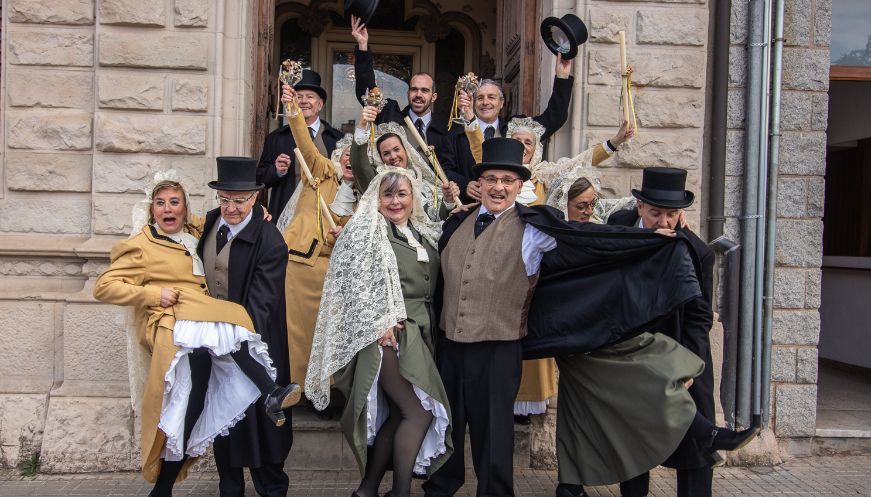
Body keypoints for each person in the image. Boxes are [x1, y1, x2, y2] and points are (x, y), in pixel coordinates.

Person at [423, 138, 707, 497]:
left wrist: (648, 240)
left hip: (497, 347)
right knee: (447, 421)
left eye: (507, 181)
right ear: (479, 184)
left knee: (493, 431)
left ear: (519, 186)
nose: (498, 187)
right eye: (491, 179)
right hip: (451, 344)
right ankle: (442, 486)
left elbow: (587, 240)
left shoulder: (533, 227)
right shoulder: (456, 224)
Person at [93, 171, 299, 497]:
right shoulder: (142, 245)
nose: (167, 208)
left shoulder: (195, 231)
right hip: (180, 333)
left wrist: (256, 211)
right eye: (160, 203)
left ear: (186, 208)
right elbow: (104, 286)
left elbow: (232, 216)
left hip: (205, 332)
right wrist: (154, 294)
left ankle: (163, 489)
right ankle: (271, 389)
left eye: (175, 201)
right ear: (151, 210)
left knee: (198, 412)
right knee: (186, 406)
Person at [462, 113, 636, 423]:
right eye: (518, 141)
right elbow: (480, 154)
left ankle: (524, 406)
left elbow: (583, 161)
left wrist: (613, 143)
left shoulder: (545, 175)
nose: (523, 147)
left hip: (532, 268)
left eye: (528, 142)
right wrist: (472, 123)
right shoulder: (494, 181)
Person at [608, 167, 759, 497]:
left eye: (672, 214)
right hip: (633, 348)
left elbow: (699, 317)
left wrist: (688, 366)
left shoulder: (698, 252)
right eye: (655, 213)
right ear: (639, 207)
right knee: (634, 439)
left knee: (694, 441)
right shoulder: (619, 224)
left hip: (681, 346)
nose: (664, 222)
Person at [306, 169, 453, 497]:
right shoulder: (367, 230)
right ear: (376, 198)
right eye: (388, 195)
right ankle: (400, 493)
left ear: (413, 197)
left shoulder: (420, 230)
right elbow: (350, 285)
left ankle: (367, 489)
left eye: (402, 194)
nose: (395, 201)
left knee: (403, 413)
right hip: (389, 337)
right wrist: (377, 322)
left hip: (419, 334)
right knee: (419, 413)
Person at [197, 158, 296, 497]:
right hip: (216, 350)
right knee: (225, 428)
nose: (231, 208)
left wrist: (230, 336)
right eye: (224, 199)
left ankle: (271, 490)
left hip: (257, 347)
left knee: (263, 432)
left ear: (255, 198)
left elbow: (262, 305)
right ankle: (229, 488)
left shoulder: (270, 239)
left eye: (239, 201)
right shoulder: (209, 224)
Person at [273, 86, 355, 417]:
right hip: (300, 265)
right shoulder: (321, 172)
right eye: (346, 155)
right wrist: (293, 108)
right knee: (296, 334)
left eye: (357, 158)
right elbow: (304, 144)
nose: (350, 161)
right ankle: (294, 393)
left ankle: (323, 393)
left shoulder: (364, 195)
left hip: (335, 271)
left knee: (329, 336)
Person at [447, 54, 574, 203]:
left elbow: (555, 117)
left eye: (491, 97)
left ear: (501, 103)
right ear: (473, 103)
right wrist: (464, 184)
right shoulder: (455, 136)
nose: (485, 102)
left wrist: (562, 76)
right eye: (480, 98)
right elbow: (443, 170)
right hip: (472, 209)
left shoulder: (517, 130)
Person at [350, 15, 456, 173]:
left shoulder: (446, 128)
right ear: (408, 92)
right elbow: (368, 92)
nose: (418, 94)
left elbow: (450, 168)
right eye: (414, 89)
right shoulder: (390, 115)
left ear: (434, 97)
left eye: (424, 90)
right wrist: (363, 46)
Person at [257, 69, 344, 218]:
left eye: (310, 97)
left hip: (325, 217)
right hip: (287, 215)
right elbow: (259, 179)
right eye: (298, 97)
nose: (304, 101)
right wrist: (277, 170)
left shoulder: (337, 139)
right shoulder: (276, 138)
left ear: (320, 104)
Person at [351, 104, 460, 222]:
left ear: (406, 151)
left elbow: (436, 217)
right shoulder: (378, 179)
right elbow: (359, 165)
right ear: (381, 158)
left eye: (396, 150)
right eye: (386, 153)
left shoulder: (420, 179)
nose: (393, 156)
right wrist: (363, 125)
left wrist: (448, 200)